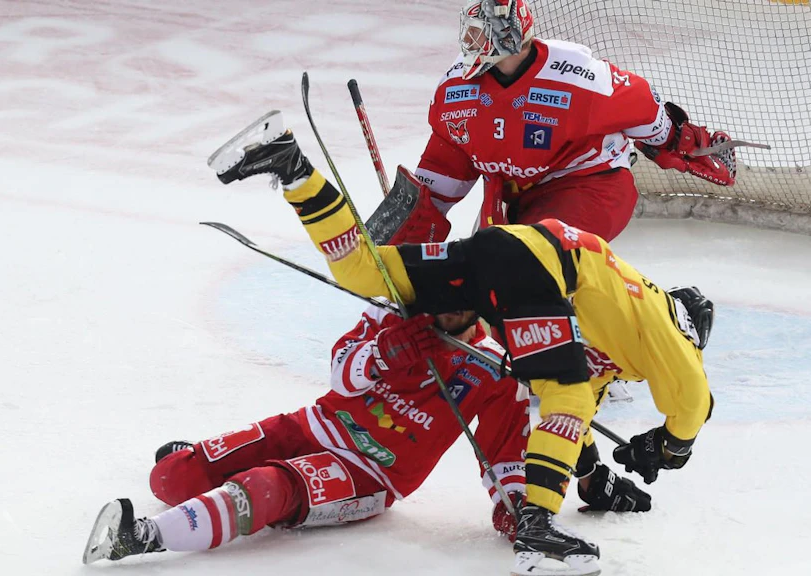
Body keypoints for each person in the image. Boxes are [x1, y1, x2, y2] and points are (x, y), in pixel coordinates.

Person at [208, 112, 714, 576]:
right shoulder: (671, 332)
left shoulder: (616, 344)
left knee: (367, 271)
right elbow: (692, 405)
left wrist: (596, 480)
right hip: (541, 265)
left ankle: (292, 166)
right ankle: (537, 531)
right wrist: (666, 447)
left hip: (503, 250)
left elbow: (571, 431)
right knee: (568, 394)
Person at [83, 308, 650, 565]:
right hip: (311, 426)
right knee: (171, 475)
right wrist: (387, 351)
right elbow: (338, 371)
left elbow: (504, 459)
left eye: (460, 297)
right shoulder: (395, 315)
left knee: (264, 485)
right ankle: (206, 489)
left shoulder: (495, 370)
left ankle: (141, 539)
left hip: (367, 474)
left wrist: (522, 513)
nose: (443, 308)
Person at [408, 0, 736, 244]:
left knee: (526, 262)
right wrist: (414, 216)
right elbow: (446, 162)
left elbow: (645, 111)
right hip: (511, 194)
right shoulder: (456, 89)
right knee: (479, 269)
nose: (469, 43)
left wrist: (684, 144)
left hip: (588, 185)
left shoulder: (578, 76)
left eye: (478, 35)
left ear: (507, 37)